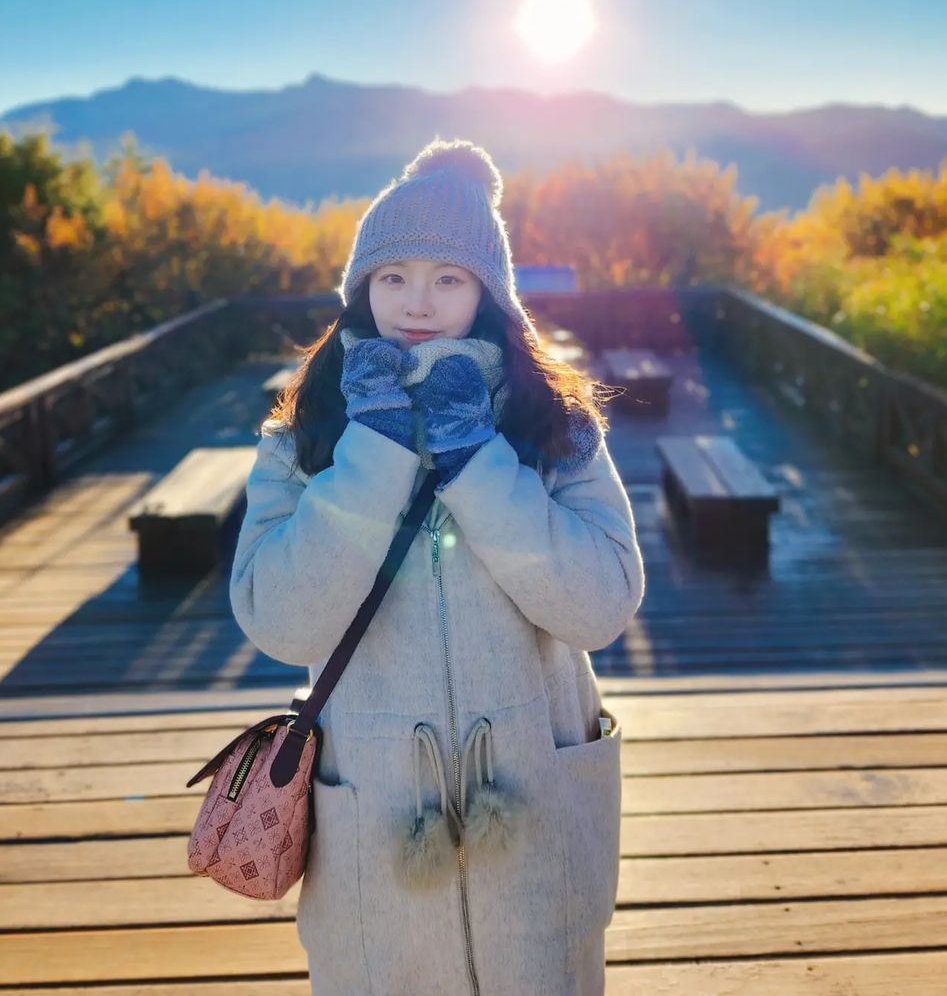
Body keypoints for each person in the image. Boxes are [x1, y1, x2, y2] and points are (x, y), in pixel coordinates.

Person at [229, 136, 645, 996]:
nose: (417, 302)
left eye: (448, 280)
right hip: (375, 823)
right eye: (393, 278)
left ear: (488, 296)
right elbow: (280, 622)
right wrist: (373, 454)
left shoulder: (553, 428)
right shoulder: (301, 441)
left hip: (536, 814)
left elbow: (601, 606)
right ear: (361, 292)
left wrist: (479, 461)